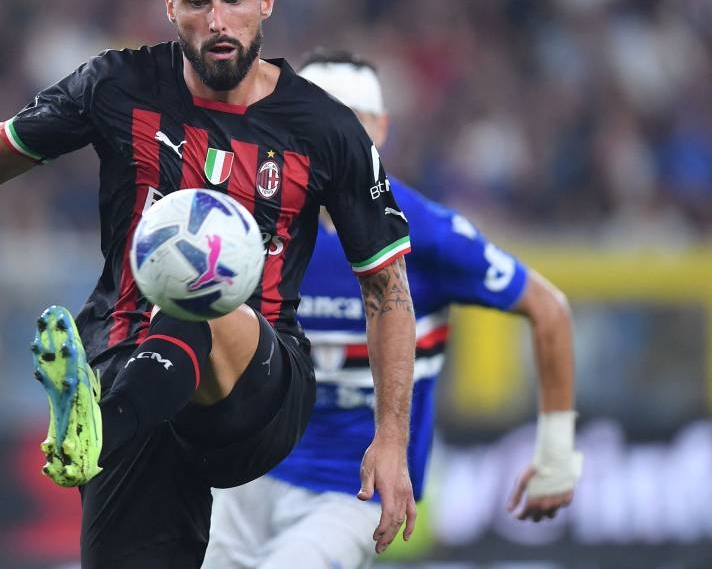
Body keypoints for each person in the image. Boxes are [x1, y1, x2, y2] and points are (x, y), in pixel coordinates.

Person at [0, 0, 417, 569]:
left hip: (257, 384)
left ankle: (97, 430)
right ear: (170, 5)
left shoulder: (326, 129)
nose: (218, 21)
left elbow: (387, 287)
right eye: (198, 1)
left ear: (266, 1)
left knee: (194, 277)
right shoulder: (116, 84)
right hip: (129, 367)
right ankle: (102, 427)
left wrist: (391, 438)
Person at [204, 50, 583, 569]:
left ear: (381, 129)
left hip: (351, 491)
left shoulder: (426, 231)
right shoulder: (250, 220)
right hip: (248, 475)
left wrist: (557, 456)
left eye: (350, 119)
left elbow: (550, 309)